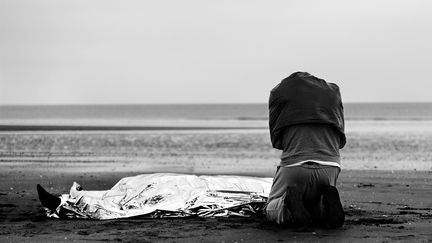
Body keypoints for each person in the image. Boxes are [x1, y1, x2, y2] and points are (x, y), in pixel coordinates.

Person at [264, 72, 346, 228]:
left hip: (295, 166)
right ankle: (324, 201)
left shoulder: (280, 99)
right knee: (314, 205)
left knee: (270, 207)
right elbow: (341, 141)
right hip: (330, 166)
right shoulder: (333, 97)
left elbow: (278, 142)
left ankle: (285, 203)